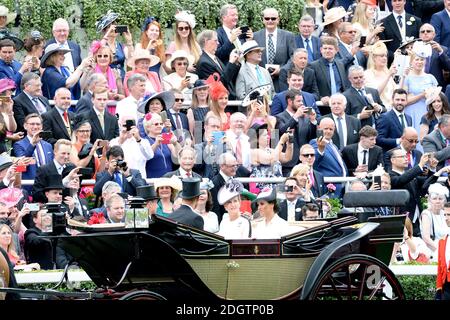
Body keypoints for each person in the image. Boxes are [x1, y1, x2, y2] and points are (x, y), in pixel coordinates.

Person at [275, 89, 318, 176]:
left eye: (302, 101)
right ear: (290, 101)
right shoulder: (279, 117)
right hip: (288, 165)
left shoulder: (305, 118)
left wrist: (313, 121)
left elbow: (311, 138)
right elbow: (282, 132)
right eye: (298, 101)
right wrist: (296, 116)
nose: (302, 103)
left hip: (303, 162)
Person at [252, 8, 295, 92]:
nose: (270, 21)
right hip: (261, 81)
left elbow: (293, 57)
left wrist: (282, 70)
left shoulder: (288, 36)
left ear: (278, 20)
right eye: (267, 18)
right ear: (263, 20)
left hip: (282, 80)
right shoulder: (255, 36)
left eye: (273, 18)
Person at [196, 30, 240, 99]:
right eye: (215, 40)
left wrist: (235, 63)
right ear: (206, 41)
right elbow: (218, 85)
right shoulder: (203, 63)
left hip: (229, 99)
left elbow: (228, 77)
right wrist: (230, 62)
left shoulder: (215, 58)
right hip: (220, 101)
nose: (218, 43)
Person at [403, 52, 438, 138]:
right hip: (411, 112)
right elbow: (404, 100)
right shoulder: (407, 78)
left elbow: (437, 96)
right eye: (417, 59)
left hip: (428, 111)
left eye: (422, 59)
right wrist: (422, 94)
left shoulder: (431, 77)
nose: (419, 62)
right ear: (411, 62)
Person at [249, 126, 292, 193]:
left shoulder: (272, 151)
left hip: (278, 187)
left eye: (268, 134)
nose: (268, 137)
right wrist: (281, 141)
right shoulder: (254, 151)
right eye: (265, 135)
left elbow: (287, 157)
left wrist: (289, 143)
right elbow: (270, 160)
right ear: (257, 138)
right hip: (263, 189)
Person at [309, 36, 350, 106]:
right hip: (323, 106)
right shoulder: (313, 66)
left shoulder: (340, 65)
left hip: (340, 105)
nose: (327, 51)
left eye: (330, 48)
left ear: (336, 50)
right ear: (321, 50)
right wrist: (320, 98)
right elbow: (310, 89)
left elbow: (344, 87)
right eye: (325, 48)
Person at [109, 115, 153, 179]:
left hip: (138, 179)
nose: (127, 128)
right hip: (120, 179)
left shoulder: (144, 142)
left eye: (130, 125)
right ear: (120, 126)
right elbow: (110, 159)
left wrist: (138, 139)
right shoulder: (114, 142)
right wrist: (121, 141)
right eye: (125, 125)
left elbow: (149, 156)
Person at [13, 113, 53, 182]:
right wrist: (32, 144)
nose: (35, 127)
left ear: (42, 126)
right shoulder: (18, 145)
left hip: (46, 185)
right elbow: (21, 166)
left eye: (38, 124)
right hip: (29, 184)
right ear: (25, 126)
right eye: (32, 124)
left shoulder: (48, 145)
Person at [95, 11, 134, 80]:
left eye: (115, 25)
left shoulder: (121, 46)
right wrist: (108, 33)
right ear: (104, 30)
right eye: (109, 27)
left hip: (121, 79)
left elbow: (131, 60)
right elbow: (96, 52)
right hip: (106, 79)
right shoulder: (101, 44)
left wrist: (129, 41)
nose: (113, 29)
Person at [142, 113, 181, 178]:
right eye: (156, 124)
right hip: (153, 179)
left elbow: (177, 157)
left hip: (169, 179)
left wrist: (175, 143)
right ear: (148, 127)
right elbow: (146, 156)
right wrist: (156, 144)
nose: (159, 126)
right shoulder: (144, 141)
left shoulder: (166, 139)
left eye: (161, 124)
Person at [376, 88, 413, 153]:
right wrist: (398, 141)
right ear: (392, 100)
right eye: (397, 99)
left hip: (407, 156)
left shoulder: (409, 118)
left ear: (406, 101)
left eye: (402, 100)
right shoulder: (385, 117)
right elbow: (379, 139)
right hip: (391, 157)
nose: (400, 102)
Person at [364, 41, 398, 107]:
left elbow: (396, 92)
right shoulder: (367, 74)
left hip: (391, 110)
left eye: (385, 56)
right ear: (374, 58)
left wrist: (404, 76)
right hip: (379, 111)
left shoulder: (387, 72)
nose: (384, 58)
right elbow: (375, 95)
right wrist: (388, 76)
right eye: (381, 56)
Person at [420, 183, 450, 260]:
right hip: (433, 250)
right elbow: (426, 238)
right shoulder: (426, 214)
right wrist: (441, 250)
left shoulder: (444, 213)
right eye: (434, 198)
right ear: (429, 200)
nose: (437, 201)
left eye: (440, 199)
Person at [0, 78, 20, 152]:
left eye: (11, 91)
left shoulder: (8, 109)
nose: (10, 93)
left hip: (5, 148)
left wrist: (10, 113)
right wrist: (11, 137)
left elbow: (12, 129)